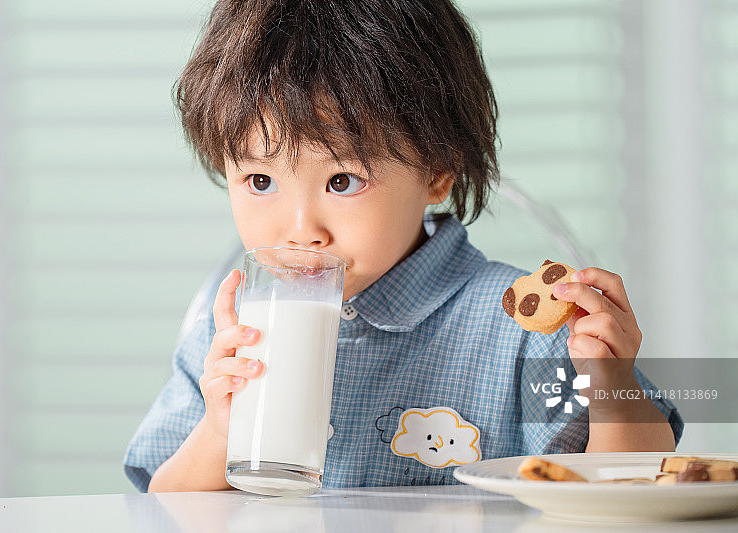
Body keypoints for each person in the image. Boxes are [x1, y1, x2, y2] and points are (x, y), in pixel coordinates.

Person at [124, 0, 682, 492]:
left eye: (342, 180)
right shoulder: (231, 335)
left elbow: (629, 480)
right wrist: (219, 432)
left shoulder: (518, 331)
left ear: (437, 172)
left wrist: (612, 385)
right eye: (260, 180)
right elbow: (163, 502)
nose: (300, 231)